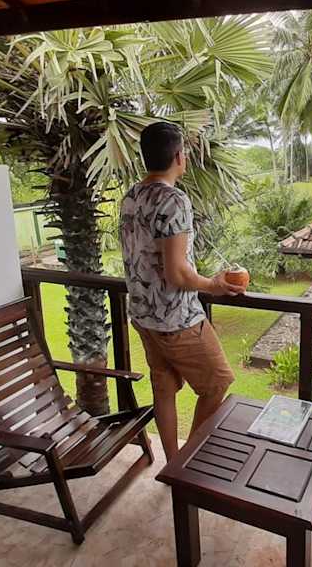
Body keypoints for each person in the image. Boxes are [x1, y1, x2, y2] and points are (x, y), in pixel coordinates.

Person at [120, 121, 243, 462]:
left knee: (164, 389)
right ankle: (187, 462)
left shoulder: (131, 196)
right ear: (178, 156)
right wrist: (213, 285)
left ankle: (173, 463)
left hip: (143, 316)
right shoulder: (173, 200)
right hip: (176, 319)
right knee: (218, 381)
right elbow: (177, 273)